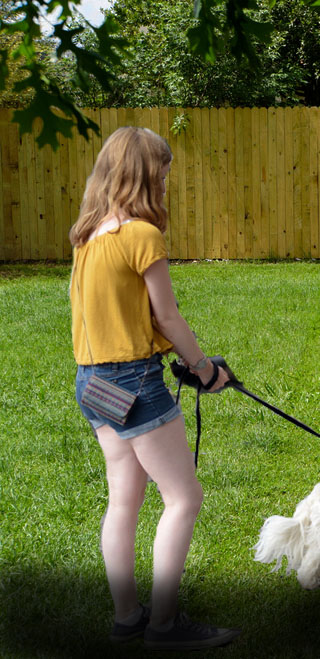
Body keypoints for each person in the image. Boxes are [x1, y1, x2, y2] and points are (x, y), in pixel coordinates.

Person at [69, 127, 241, 648]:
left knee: (123, 498)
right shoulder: (142, 235)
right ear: (145, 175)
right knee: (184, 498)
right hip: (133, 381)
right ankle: (164, 625)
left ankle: (127, 617)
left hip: (91, 381)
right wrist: (203, 369)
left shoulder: (88, 234)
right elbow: (166, 316)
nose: (165, 184)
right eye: (163, 175)